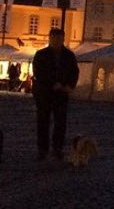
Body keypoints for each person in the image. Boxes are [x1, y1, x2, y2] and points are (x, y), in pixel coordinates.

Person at [31, 28, 79, 161]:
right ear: (50, 38)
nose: (56, 41)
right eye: (54, 38)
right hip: (44, 93)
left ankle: (57, 148)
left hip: (62, 93)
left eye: (58, 38)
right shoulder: (41, 54)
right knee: (43, 121)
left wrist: (69, 85)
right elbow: (38, 73)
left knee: (60, 122)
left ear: (63, 39)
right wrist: (53, 83)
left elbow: (74, 72)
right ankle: (43, 149)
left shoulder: (69, 55)